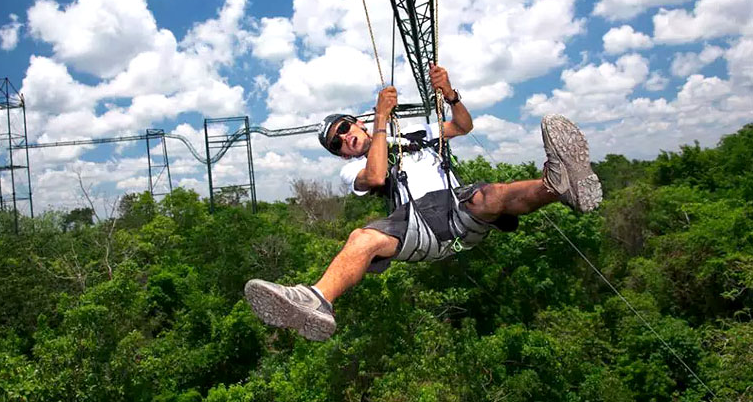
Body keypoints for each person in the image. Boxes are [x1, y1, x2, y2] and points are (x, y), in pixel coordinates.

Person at [245, 64, 603, 341]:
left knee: (490, 195)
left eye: (344, 128)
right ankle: (316, 301)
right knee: (362, 238)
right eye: (337, 143)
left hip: (456, 207)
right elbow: (377, 177)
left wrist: (450, 94)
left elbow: (462, 126)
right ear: (340, 155)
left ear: (357, 123)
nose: (345, 139)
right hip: (415, 224)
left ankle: (557, 187)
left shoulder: (416, 135)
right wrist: (382, 118)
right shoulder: (352, 171)